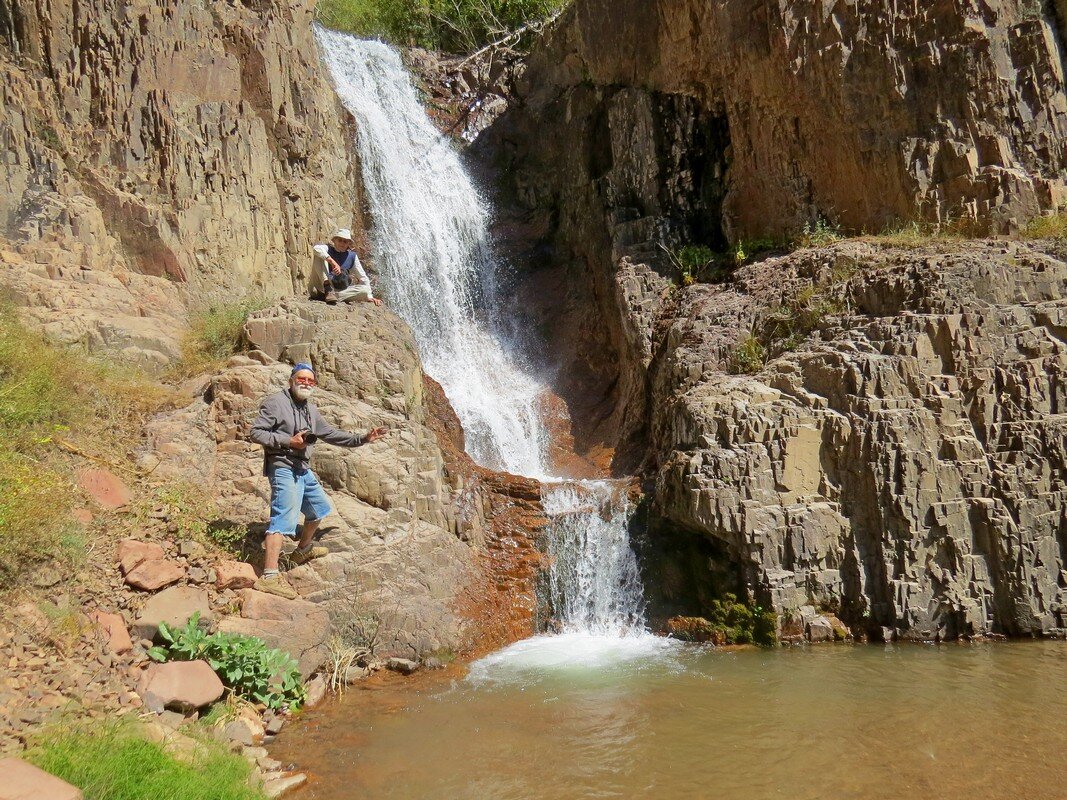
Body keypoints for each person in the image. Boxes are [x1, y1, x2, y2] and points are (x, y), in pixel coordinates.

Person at [248, 362, 387, 599]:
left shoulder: (310, 409)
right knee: (282, 520)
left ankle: (302, 550)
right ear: (291, 380)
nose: (306, 383)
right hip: (283, 467)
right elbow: (256, 432)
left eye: (310, 381)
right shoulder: (275, 403)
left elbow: (331, 434)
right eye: (301, 379)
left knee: (319, 510)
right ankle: (269, 577)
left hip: (302, 468)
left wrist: (363, 438)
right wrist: (288, 441)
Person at [311, 229, 383, 306]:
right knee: (319, 255)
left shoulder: (352, 256)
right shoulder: (328, 249)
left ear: (348, 243)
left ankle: (330, 296)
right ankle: (327, 290)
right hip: (322, 285)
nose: (342, 243)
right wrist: (332, 262)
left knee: (364, 290)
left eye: (345, 241)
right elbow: (316, 248)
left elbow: (363, 277)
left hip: (337, 290)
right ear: (334, 240)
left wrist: (370, 297)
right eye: (340, 240)